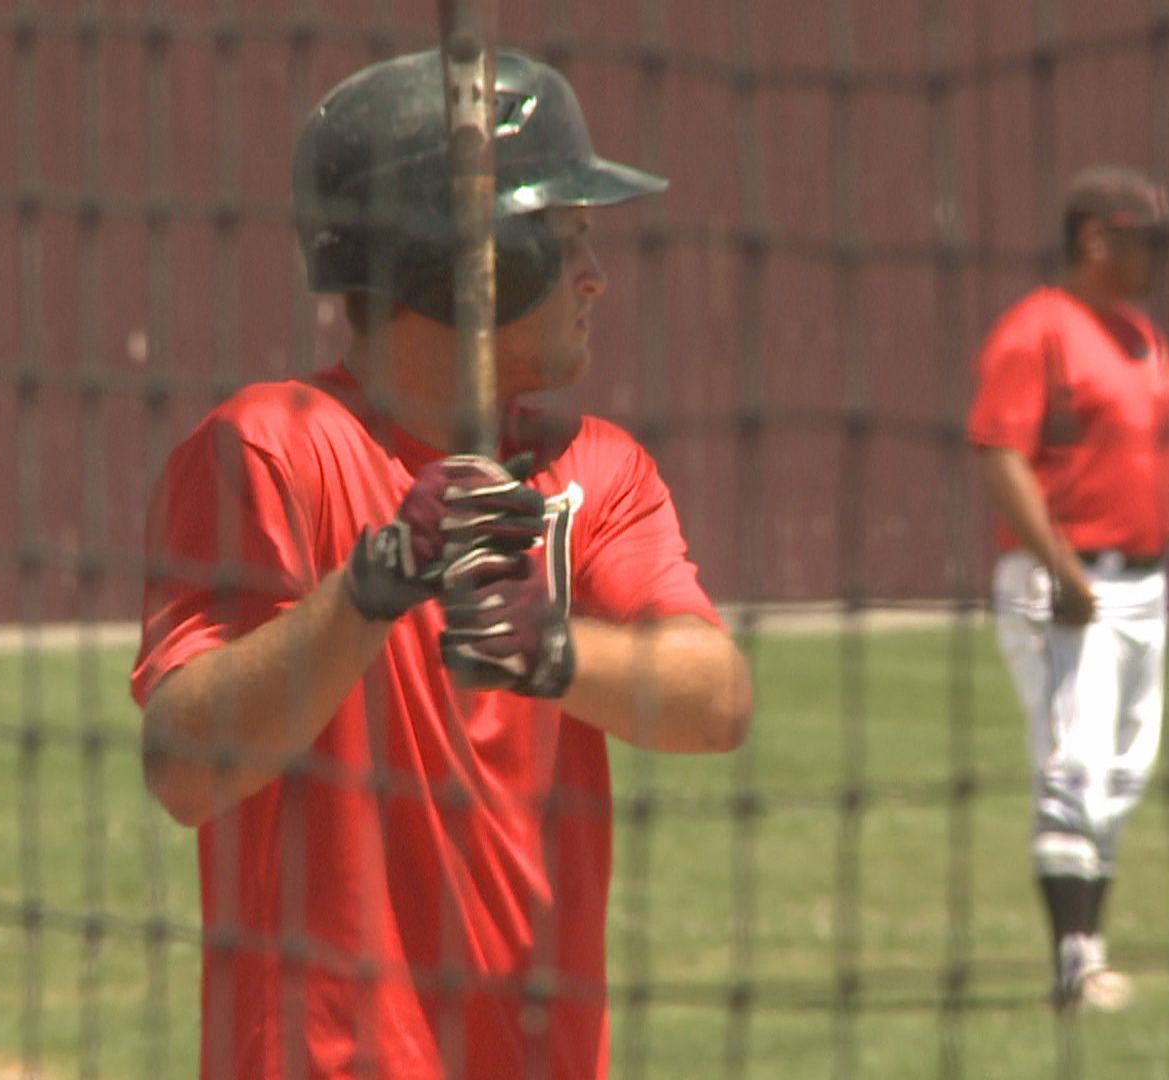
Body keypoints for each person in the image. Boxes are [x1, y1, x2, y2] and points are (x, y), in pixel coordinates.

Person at [130, 49, 753, 1078]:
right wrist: (371, 588)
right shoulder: (271, 447)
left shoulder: (593, 467)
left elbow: (716, 702)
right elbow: (186, 768)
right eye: (570, 238)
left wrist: (553, 653)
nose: (597, 276)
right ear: (481, 257)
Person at [967, 163, 1169, 1012]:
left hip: (1145, 584)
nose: (1162, 257)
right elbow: (1001, 454)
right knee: (1072, 765)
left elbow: (1168, 468)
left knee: (1123, 770)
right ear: (1093, 238)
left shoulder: (1144, 337)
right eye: (1147, 240)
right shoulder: (1037, 330)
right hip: (1068, 583)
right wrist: (1059, 565)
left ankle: (1091, 952)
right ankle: (1074, 965)